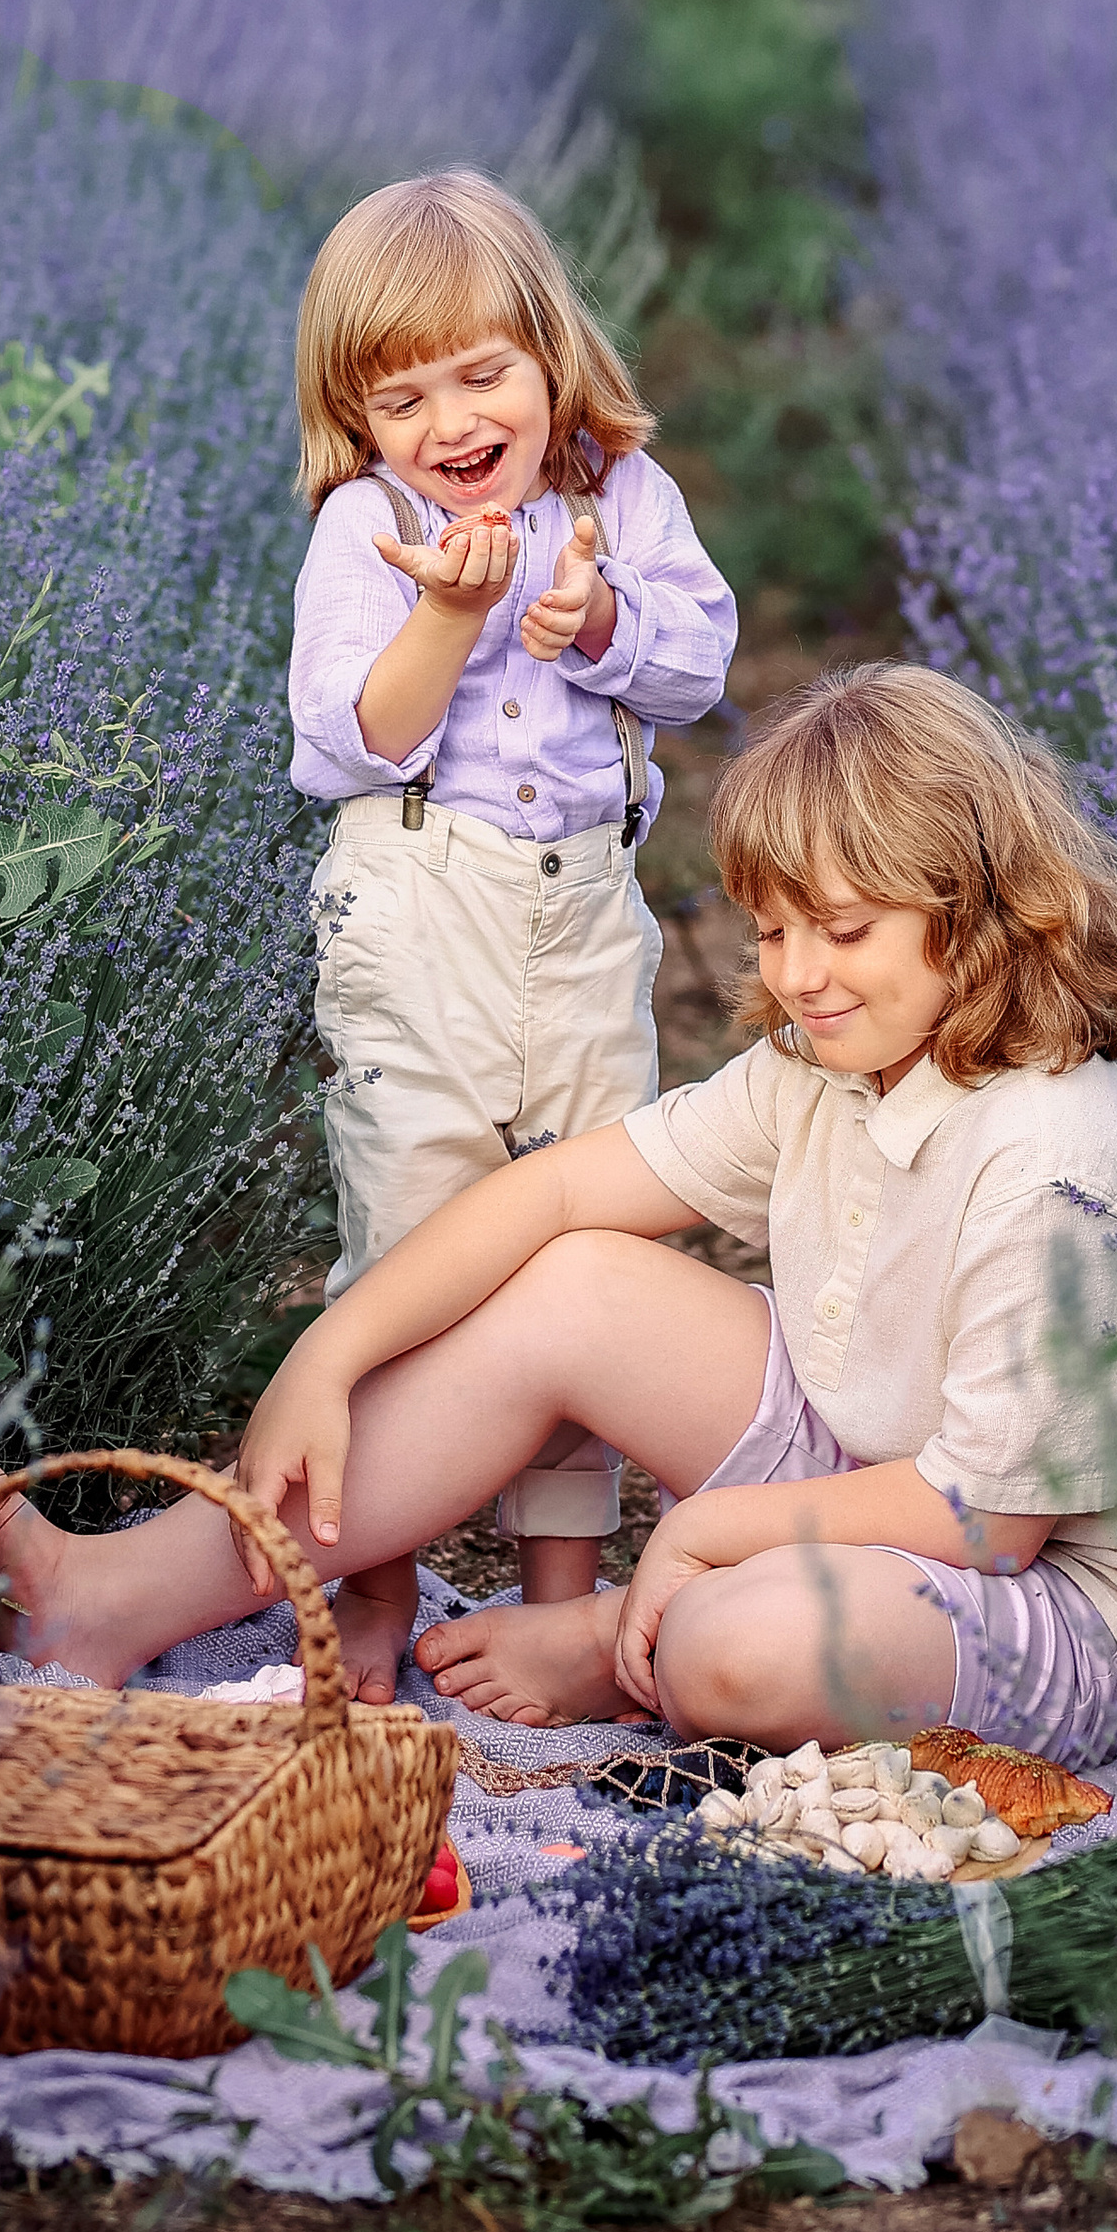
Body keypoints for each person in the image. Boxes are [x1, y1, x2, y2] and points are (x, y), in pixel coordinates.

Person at [0, 663, 1117, 1760]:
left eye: (846, 930)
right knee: (575, 1277)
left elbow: (995, 1522)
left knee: (732, 1649)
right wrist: (328, 1349)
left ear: (978, 915)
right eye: (770, 932)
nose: (797, 976)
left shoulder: (1053, 1159)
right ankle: (113, 1597)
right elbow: (562, 1188)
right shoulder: (836, 1062)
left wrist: (701, 1535)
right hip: (894, 1472)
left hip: (1092, 1609)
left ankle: (613, 1641)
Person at [282, 168, 736, 1700]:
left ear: (552, 359)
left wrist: (597, 626)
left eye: (483, 375)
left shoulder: (624, 501)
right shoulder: (371, 528)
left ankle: (561, 1583)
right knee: (413, 1226)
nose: (450, 422)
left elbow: (697, 667)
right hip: (420, 913)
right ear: (355, 418)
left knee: (585, 1227)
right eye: (401, 397)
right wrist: (451, 619)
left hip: (583, 915)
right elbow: (353, 740)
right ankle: (367, 1576)